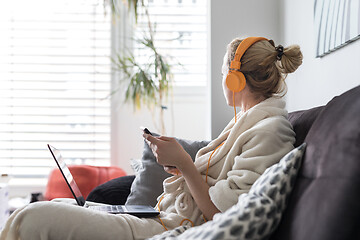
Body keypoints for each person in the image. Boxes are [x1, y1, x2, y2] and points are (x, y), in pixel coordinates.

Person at [0, 36, 303, 240]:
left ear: (234, 78)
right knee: (55, 207)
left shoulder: (270, 130)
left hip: (171, 227)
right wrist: (179, 165)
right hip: (162, 216)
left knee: (35, 217)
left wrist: (185, 164)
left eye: (224, 72)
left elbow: (223, 214)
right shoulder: (248, 123)